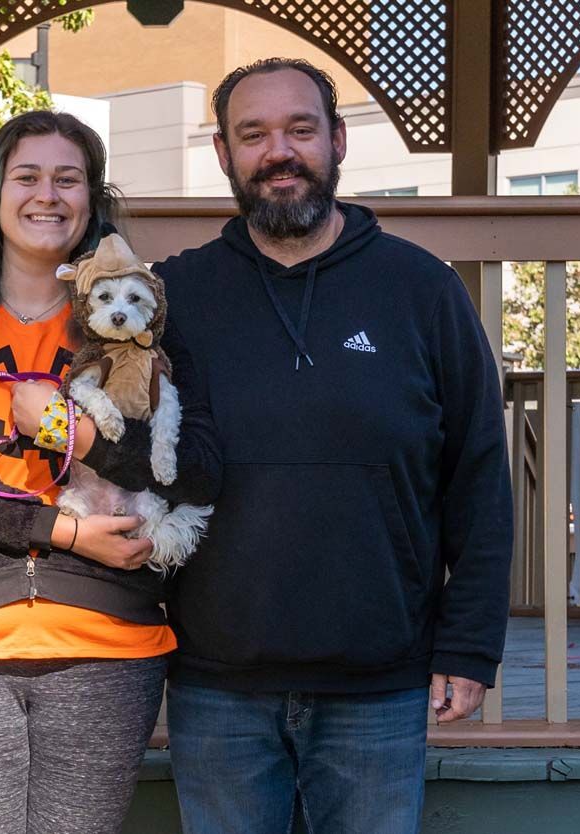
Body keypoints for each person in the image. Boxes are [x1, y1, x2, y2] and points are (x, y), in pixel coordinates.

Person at [153, 59, 514, 834]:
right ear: (223, 153)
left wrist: (471, 646)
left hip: (379, 685)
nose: (278, 151)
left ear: (338, 140)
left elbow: (479, 477)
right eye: (254, 134)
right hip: (217, 683)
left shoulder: (423, 290)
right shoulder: (174, 296)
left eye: (300, 129)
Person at [0, 110, 220, 834]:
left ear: (92, 199)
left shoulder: (140, 322)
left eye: (69, 179)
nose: (48, 195)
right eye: (27, 176)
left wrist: (67, 429)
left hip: (105, 637)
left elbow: (194, 468)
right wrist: (62, 530)